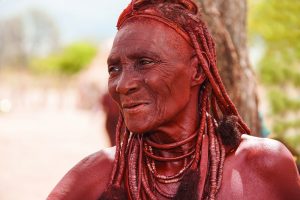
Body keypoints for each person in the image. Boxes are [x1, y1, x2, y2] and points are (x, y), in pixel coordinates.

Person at [47, 0, 300, 199]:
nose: (123, 85)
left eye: (144, 62)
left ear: (197, 71)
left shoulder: (264, 165)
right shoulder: (98, 176)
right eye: (114, 69)